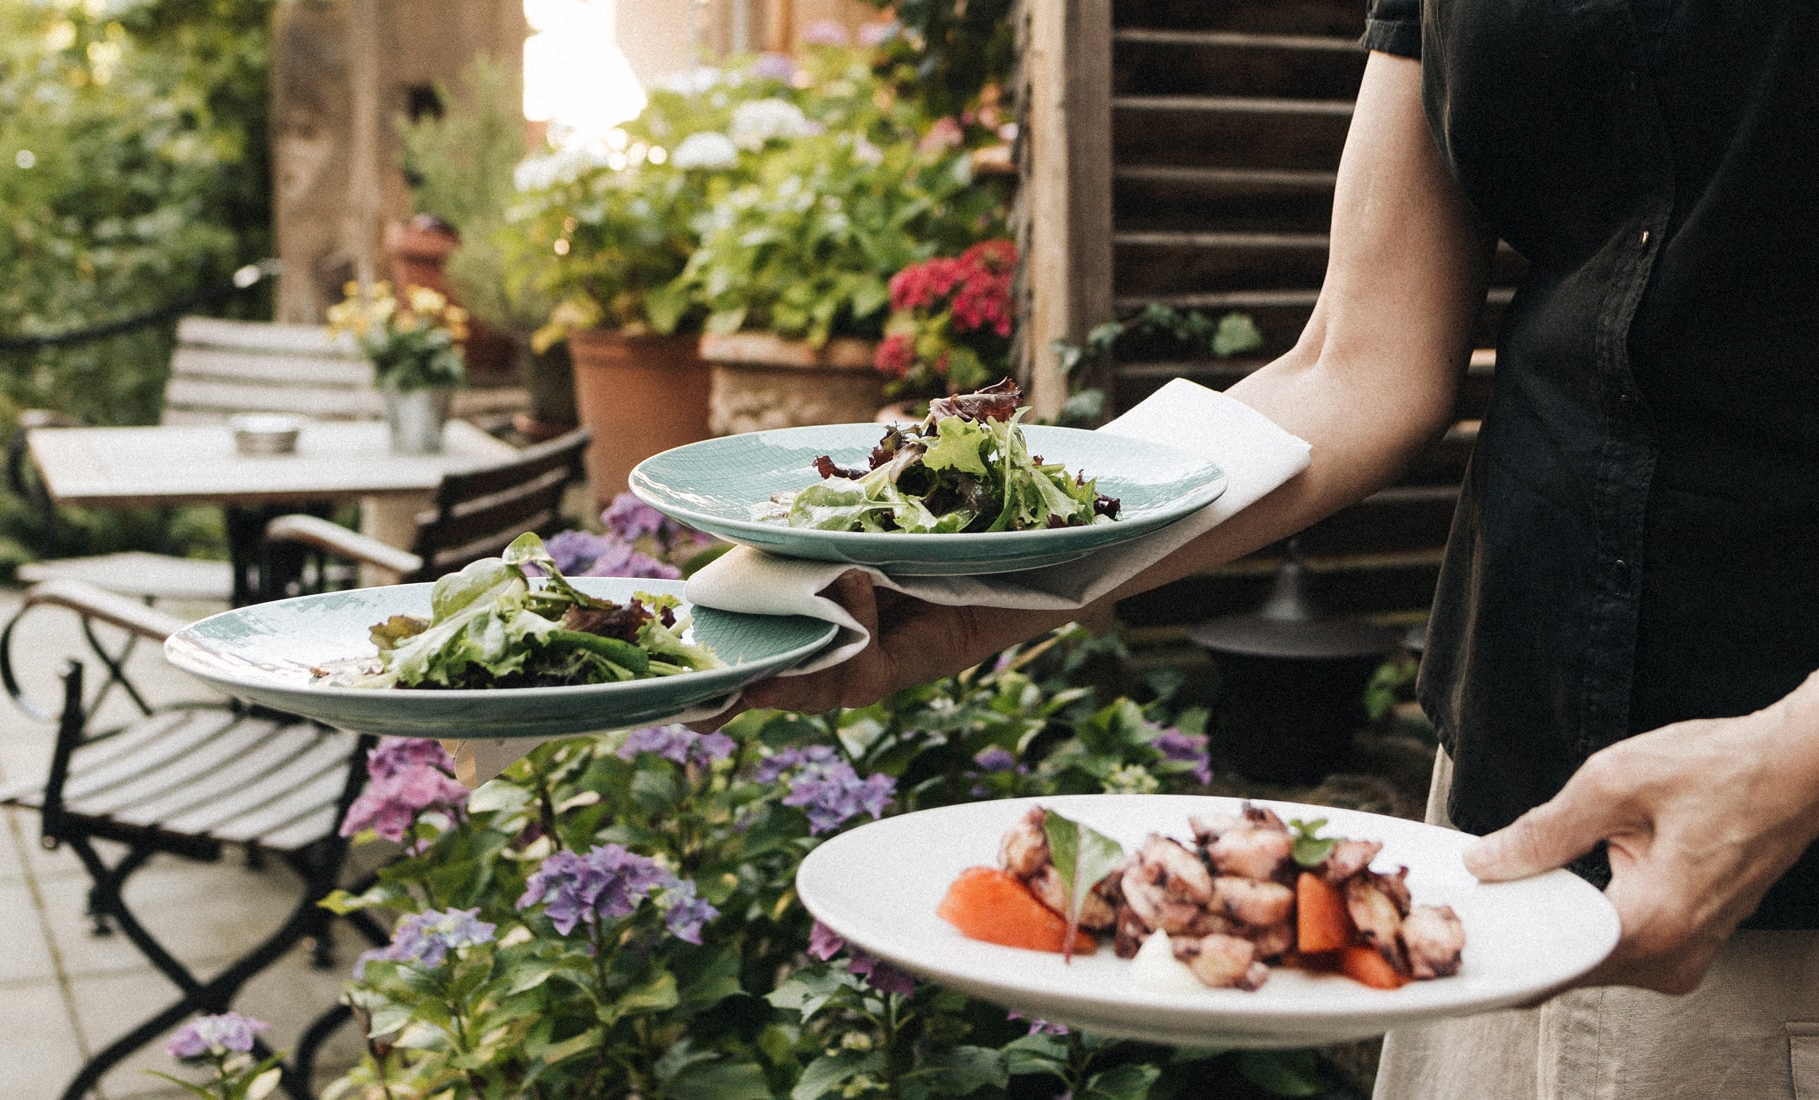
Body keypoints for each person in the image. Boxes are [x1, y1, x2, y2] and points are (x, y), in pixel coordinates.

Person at [742, 1, 1819, 1095]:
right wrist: (990, 571)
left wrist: (1791, 758)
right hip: (1505, 823)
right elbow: (1356, 358)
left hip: (1786, 872)